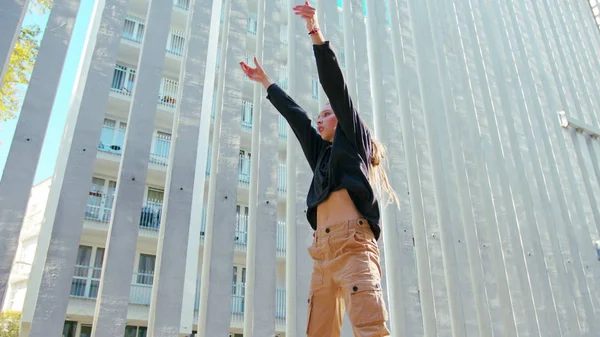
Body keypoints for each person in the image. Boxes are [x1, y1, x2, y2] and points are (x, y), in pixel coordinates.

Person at [240, 2, 398, 336]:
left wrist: (315, 31)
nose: (319, 118)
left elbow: (335, 85)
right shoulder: (322, 157)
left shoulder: (352, 140)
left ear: (342, 120)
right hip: (322, 254)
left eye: (326, 114)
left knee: (370, 328)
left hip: (354, 246)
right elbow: (297, 118)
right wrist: (266, 81)